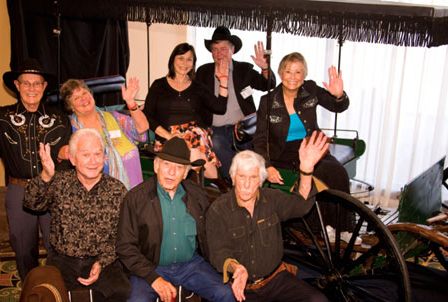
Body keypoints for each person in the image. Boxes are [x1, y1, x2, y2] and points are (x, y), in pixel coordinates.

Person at [206, 131, 331, 302]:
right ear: (233, 178)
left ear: (261, 180)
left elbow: (301, 205)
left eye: (253, 177)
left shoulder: (271, 200)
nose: (246, 184)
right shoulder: (219, 209)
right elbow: (218, 252)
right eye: (241, 177)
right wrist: (237, 269)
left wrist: (307, 170)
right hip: (243, 289)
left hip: (275, 279)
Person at [116, 137, 238, 302]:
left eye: (178, 167)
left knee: (226, 294)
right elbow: (125, 246)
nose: (171, 172)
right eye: (166, 165)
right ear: (156, 166)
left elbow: (212, 234)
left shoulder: (197, 195)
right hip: (150, 266)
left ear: (185, 173)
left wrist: (230, 262)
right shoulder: (135, 198)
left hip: (190, 265)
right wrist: (153, 278)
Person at [0, 58, 71, 281]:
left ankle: (58, 293)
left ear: (44, 86)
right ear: (17, 86)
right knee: (23, 248)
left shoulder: (60, 119)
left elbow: (68, 159)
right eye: (26, 83)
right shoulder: (1, 117)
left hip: (53, 190)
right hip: (18, 191)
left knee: (58, 247)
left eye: (37, 83)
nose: (32, 88)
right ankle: (31, 293)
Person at [23, 128, 131, 302]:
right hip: (63, 260)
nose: (93, 161)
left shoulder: (117, 190)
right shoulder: (59, 183)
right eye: (85, 154)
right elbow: (31, 203)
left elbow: (122, 237)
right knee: (48, 297)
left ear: (105, 157)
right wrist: (46, 175)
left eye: (98, 154)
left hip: (103, 260)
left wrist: (102, 262)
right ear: (72, 158)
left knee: (123, 294)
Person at [253, 52, 350, 193]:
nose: (292, 77)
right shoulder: (267, 101)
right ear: (281, 74)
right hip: (283, 154)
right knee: (318, 176)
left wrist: (339, 95)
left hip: (311, 147)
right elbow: (260, 139)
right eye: (288, 72)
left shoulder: (311, 90)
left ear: (304, 75)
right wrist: (267, 166)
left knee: (338, 172)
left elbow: (337, 107)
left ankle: (338, 215)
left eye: (298, 72)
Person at [140, 43, 229, 186]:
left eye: (189, 59)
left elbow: (220, 107)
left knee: (192, 142)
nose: (185, 63)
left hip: (194, 133)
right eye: (181, 58)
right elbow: (148, 116)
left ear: (193, 63)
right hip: (166, 137)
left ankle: (197, 191)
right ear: (173, 60)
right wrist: (169, 136)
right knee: (196, 153)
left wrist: (223, 80)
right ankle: (221, 186)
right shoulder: (158, 85)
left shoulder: (198, 87)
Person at [196, 26, 276, 179]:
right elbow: (196, 101)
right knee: (218, 145)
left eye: (224, 49)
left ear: (232, 50)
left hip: (243, 129)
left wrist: (265, 68)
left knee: (249, 155)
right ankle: (235, 183)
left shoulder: (244, 69)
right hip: (215, 129)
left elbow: (268, 85)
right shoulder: (203, 72)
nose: (220, 54)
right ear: (211, 52)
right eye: (215, 49)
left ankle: (240, 184)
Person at [60, 78, 148, 189]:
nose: (83, 99)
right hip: (100, 198)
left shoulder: (114, 117)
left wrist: (131, 102)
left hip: (135, 193)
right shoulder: (69, 130)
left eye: (84, 93)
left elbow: (142, 128)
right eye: (76, 98)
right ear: (70, 106)